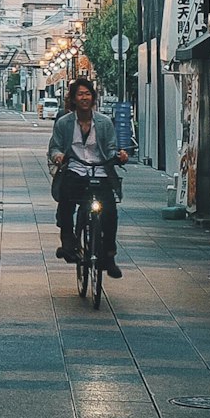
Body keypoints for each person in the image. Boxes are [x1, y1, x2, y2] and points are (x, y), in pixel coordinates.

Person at [47, 77, 128, 277]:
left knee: (110, 211)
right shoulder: (65, 123)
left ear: (93, 97)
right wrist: (58, 156)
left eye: (88, 94)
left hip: (100, 170)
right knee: (66, 202)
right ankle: (68, 241)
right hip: (75, 169)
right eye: (80, 94)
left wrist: (119, 157)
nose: (84, 98)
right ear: (73, 99)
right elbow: (55, 146)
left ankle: (109, 255)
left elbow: (110, 148)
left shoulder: (104, 122)